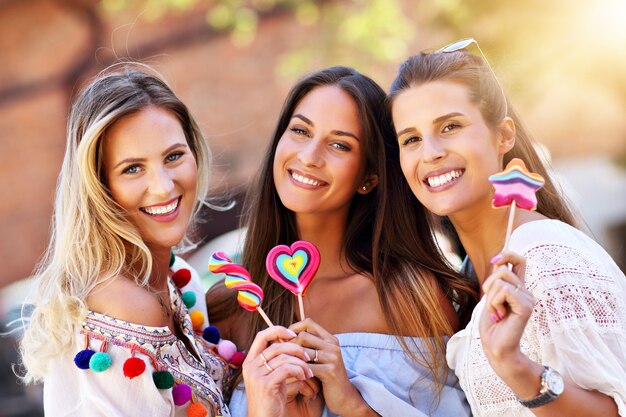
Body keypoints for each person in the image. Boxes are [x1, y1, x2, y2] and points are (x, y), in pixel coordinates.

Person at [18, 63, 313, 417]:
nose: (163, 185)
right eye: (132, 168)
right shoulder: (122, 305)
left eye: (173, 156)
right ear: (99, 187)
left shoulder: (180, 281)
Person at [208, 66, 477, 417]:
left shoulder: (406, 296)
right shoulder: (231, 305)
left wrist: (352, 404)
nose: (309, 156)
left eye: (339, 144)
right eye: (301, 131)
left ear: (369, 176)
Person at [388, 39, 626, 417]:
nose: (430, 152)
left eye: (450, 126)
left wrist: (515, 366)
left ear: (504, 136)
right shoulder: (468, 277)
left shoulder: (547, 256)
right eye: (411, 139)